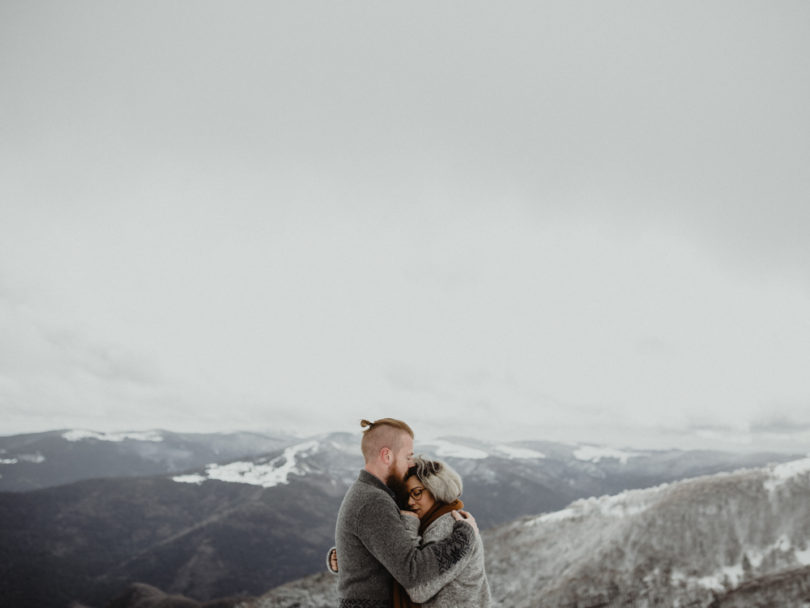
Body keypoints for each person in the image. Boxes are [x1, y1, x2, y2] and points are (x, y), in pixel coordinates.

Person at [334, 418, 479, 608]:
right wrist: (464, 538)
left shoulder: (369, 492)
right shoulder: (374, 501)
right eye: (408, 457)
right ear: (387, 456)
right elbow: (413, 572)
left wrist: (346, 557)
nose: (411, 464)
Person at [394, 456, 491, 607]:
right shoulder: (442, 521)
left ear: (435, 488)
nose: (410, 502)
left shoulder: (446, 527)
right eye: (407, 495)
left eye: (417, 492)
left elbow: (418, 589)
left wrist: (408, 528)